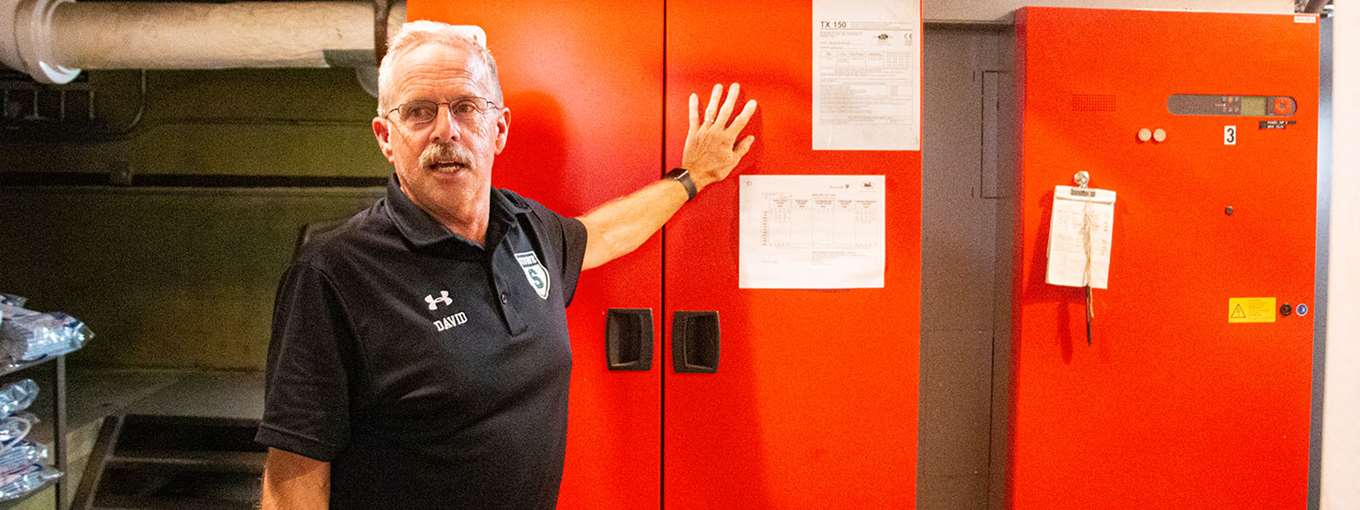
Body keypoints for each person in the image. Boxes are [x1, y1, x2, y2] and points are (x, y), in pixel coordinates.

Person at [256, 20, 756, 509]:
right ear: (386, 137)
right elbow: (295, 476)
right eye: (418, 112)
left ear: (498, 129)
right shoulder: (333, 274)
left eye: (467, 107)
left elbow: (602, 233)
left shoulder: (527, 228)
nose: (445, 130)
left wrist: (693, 177)